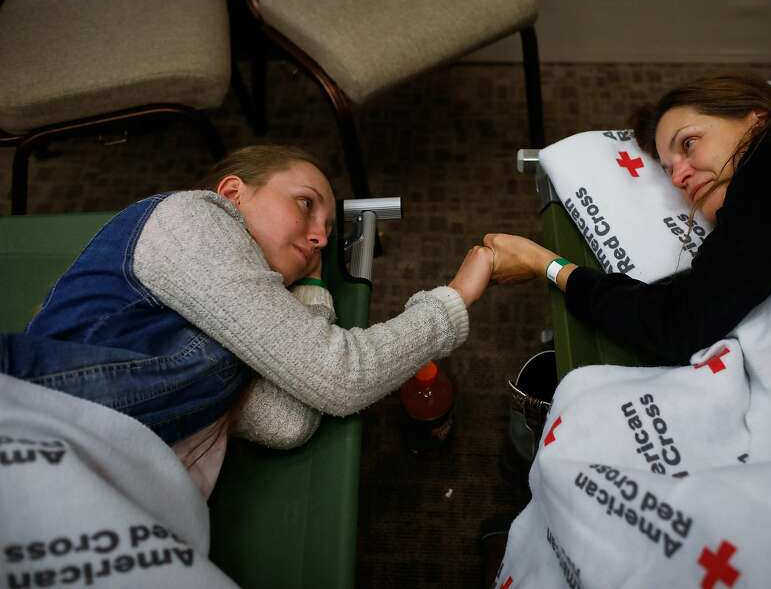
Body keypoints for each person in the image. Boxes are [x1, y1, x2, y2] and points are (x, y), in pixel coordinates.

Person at [0, 144, 493, 496]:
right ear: (233, 193)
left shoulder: (229, 312)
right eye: (306, 204)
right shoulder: (188, 220)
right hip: (33, 440)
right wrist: (457, 296)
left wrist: (312, 287)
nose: (320, 236)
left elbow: (287, 421)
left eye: (326, 230)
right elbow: (341, 376)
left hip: (98, 497)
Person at [484, 73, 771, 365]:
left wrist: (548, 264)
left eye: (688, 144)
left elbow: (678, 323)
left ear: (756, 119)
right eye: (669, 170)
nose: (680, 176)